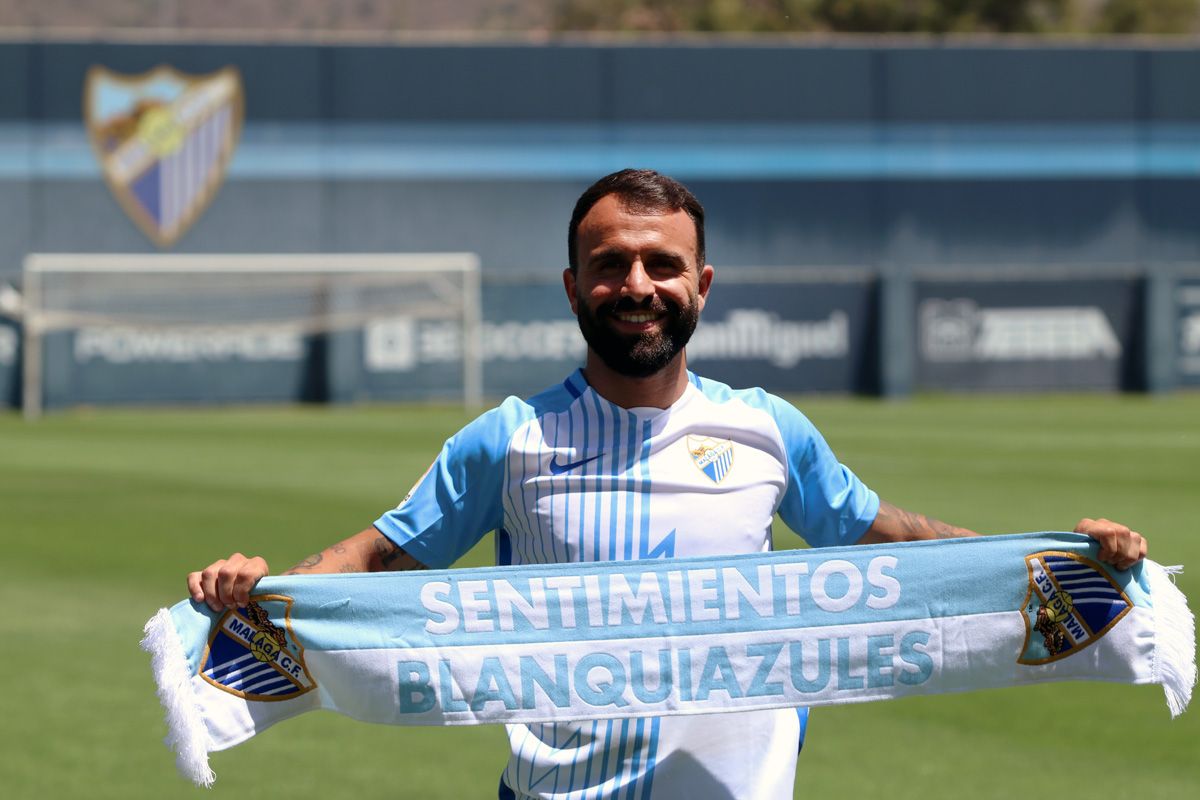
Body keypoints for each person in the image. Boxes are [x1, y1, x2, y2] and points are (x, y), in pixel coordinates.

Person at [189, 169, 1147, 799]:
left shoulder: (769, 431)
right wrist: (253, 597)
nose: (636, 284)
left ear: (702, 284)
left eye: (662, 264)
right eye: (610, 265)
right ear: (572, 287)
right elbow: (372, 561)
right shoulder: (508, 442)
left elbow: (887, 542)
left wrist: (1059, 564)